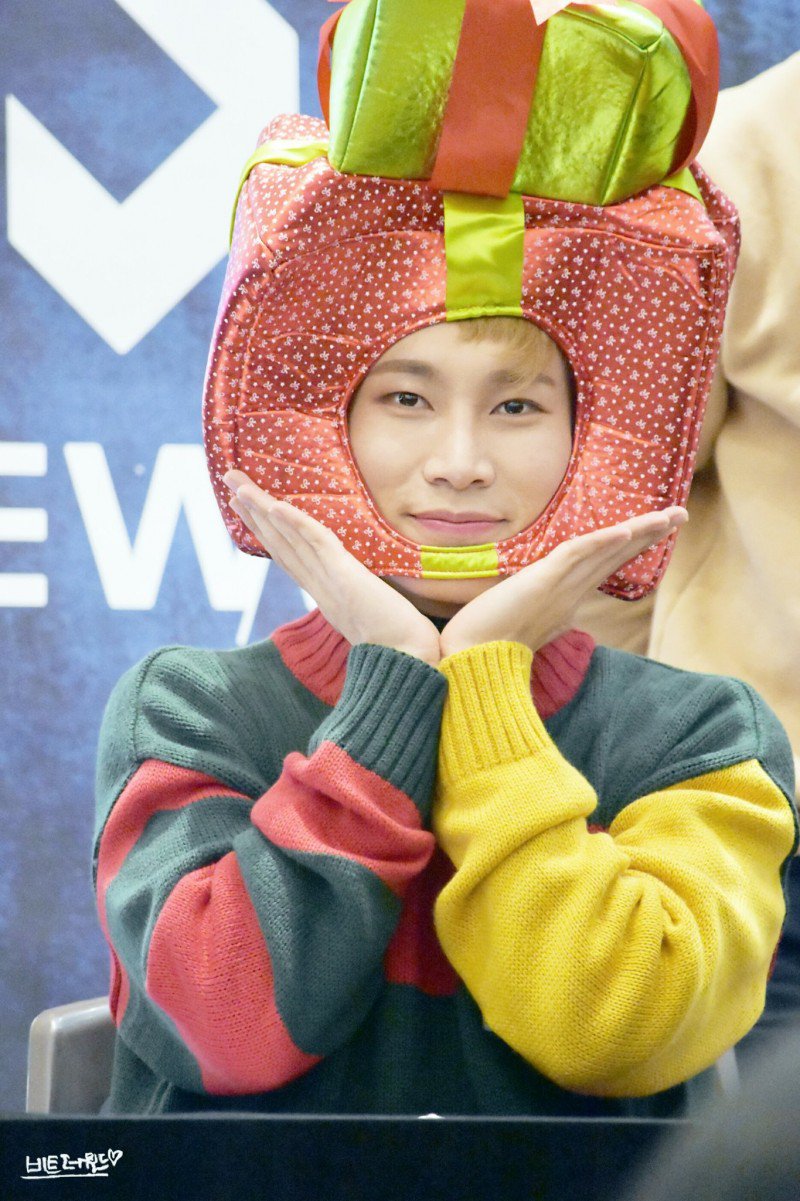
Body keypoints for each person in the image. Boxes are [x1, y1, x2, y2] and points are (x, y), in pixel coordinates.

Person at [93, 313, 797, 1115]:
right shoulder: (190, 708)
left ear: (586, 439)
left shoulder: (702, 734)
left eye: (516, 407)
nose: (460, 464)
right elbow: (226, 1031)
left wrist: (484, 683)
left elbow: (609, 1030)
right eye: (406, 399)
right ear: (330, 428)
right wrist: (391, 684)